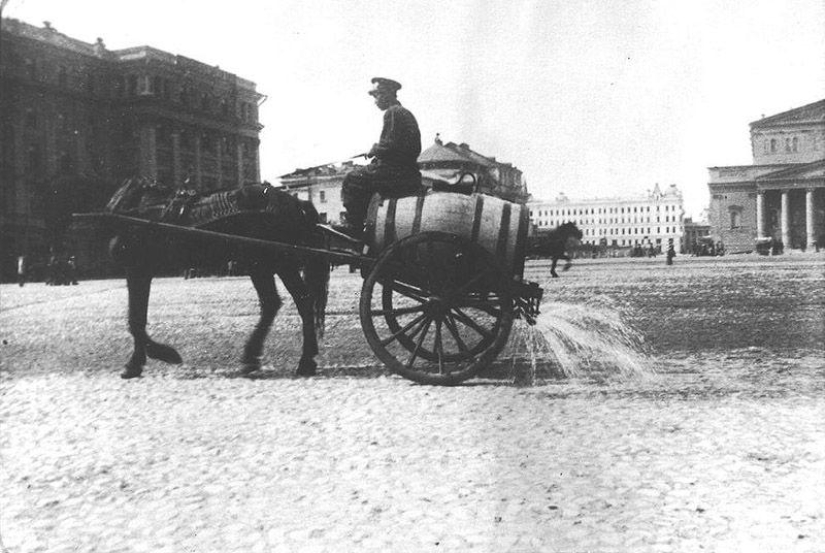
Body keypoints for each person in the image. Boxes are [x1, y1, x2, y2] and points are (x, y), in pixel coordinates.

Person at [339, 77, 423, 236]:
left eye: (376, 95)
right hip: (406, 171)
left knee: (352, 179)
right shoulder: (402, 112)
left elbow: (389, 146)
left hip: (396, 173)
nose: (375, 100)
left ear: (386, 94)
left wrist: (374, 150)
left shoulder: (393, 112)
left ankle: (355, 226)